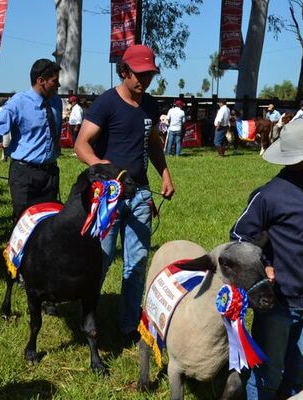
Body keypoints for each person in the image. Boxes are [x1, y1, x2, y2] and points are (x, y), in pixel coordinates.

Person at [229, 116, 303, 400]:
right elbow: (239, 236)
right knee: (268, 374)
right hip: (278, 303)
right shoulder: (267, 196)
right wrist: (264, 267)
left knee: (299, 370)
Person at [74, 44, 175, 344]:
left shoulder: (151, 106)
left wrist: (165, 174)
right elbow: (81, 144)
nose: (144, 81)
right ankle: (87, 317)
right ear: (124, 72)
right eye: (139, 75)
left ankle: (128, 324)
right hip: (109, 196)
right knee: (101, 259)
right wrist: (99, 165)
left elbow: (153, 142)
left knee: (138, 260)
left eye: (150, 76)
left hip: (141, 195)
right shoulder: (106, 103)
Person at [0, 58, 63, 223]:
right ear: (40, 81)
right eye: (54, 81)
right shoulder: (17, 103)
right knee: (24, 223)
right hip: (24, 174)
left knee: (49, 223)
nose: (58, 86)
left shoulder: (56, 102)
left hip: (50, 174)